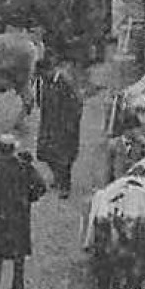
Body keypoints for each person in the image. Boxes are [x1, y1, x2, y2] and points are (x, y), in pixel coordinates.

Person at [0, 134, 45, 289]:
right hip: (19, 219)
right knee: (18, 261)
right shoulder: (24, 168)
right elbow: (41, 186)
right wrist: (28, 200)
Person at [35, 64, 81, 197]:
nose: (42, 79)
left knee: (64, 157)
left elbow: (77, 103)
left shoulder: (65, 82)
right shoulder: (45, 82)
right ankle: (57, 178)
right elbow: (42, 102)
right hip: (49, 123)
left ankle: (65, 186)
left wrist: (70, 125)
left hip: (65, 126)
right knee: (46, 153)